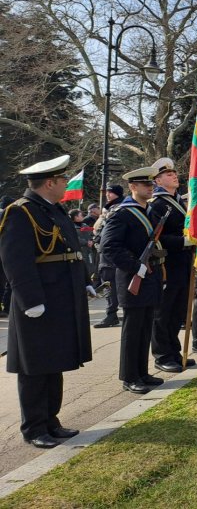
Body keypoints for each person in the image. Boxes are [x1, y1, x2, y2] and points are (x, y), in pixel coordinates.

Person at [0, 155, 94, 448]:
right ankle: (34, 427)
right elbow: (16, 262)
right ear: (50, 182)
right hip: (38, 300)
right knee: (35, 367)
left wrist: (86, 283)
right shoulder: (21, 212)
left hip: (61, 297)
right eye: (63, 179)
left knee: (55, 361)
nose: (67, 183)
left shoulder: (54, 210)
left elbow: (70, 253)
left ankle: (51, 420)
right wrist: (30, 300)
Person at [99, 166, 166, 394]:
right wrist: (135, 265)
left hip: (149, 276)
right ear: (132, 187)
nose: (150, 188)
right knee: (133, 329)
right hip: (131, 278)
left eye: (151, 184)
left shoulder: (150, 211)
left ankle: (142, 372)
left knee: (146, 326)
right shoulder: (122, 213)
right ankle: (129, 377)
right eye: (145, 184)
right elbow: (109, 247)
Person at [148, 157, 195, 373]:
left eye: (174, 173)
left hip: (184, 262)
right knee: (163, 313)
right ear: (157, 180)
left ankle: (174, 351)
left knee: (177, 312)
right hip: (168, 263)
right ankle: (162, 355)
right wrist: (184, 241)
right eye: (168, 174)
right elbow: (157, 238)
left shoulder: (178, 201)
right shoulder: (158, 204)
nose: (174, 176)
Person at [91, 183, 125, 328]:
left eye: (111, 192)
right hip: (105, 252)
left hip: (111, 253)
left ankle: (111, 315)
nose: (107, 195)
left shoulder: (118, 208)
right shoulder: (108, 208)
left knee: (109, 284)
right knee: (109, 284)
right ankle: (112, 313)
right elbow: (96, 229)